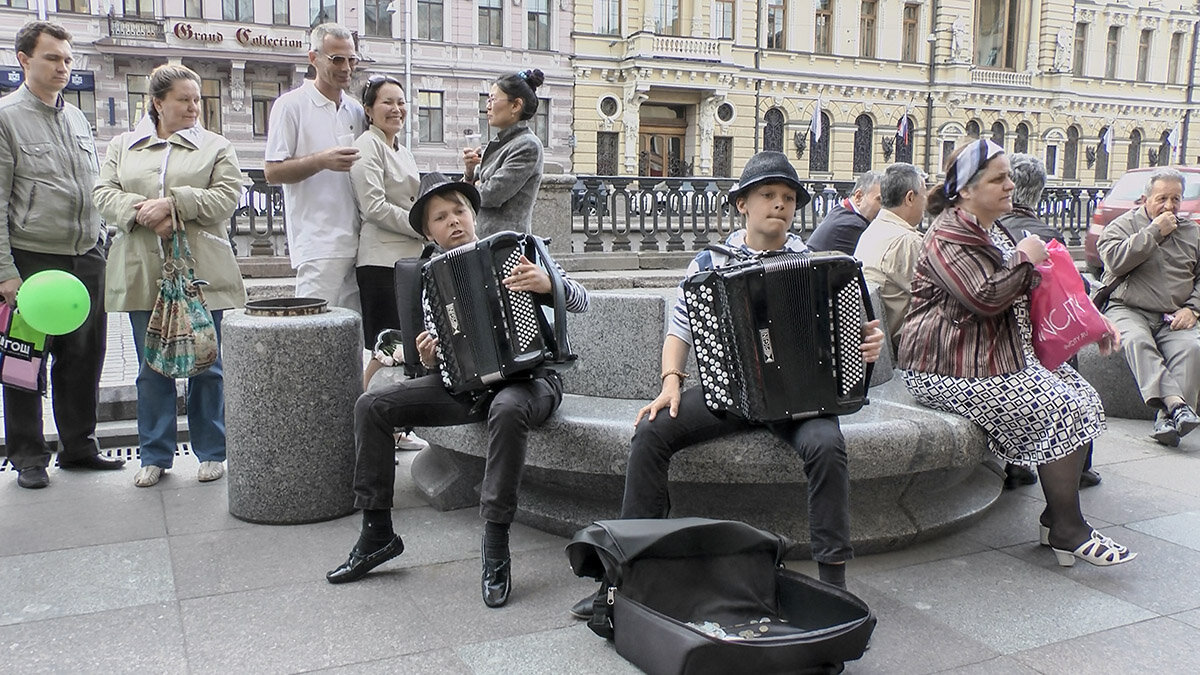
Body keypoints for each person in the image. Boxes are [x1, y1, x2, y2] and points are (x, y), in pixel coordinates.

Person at [572, 151, 885, 620]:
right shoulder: (710, 260)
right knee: (652, 431)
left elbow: (851, 333)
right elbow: (678, 328)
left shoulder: (817, 264)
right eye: (767, 195)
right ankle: (624, 573)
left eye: (787, 197)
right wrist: (671, 381)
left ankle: (834, 584)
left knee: (826, 445)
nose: (779, 204)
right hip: (731, 394)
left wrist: (866, 343)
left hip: (800, 401)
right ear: (742, 204)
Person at [327, 172, 590, 609]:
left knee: (507, 409)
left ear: (472, 214)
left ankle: (494, 543)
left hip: (531, 380)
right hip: (464, 386)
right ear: (428, 231)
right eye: (440, 217)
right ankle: (377, 533)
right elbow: (442, 348)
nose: (453, 221)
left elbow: (581, 299)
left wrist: (549, 285)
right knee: (372, 404)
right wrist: (431, 355)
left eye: (459, 211)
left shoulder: (518, 251)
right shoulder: (432, 278)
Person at [898, 139, 1134, 568]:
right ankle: (1068, 527)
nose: (1010, 185)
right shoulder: (949, 234)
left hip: (996, 354)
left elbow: (1044, 296)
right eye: (998, 178)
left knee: (1083, 398)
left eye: (1009, 176)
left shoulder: (992, 227)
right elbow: (985, 298)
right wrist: (1025, 259)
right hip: (946, 365)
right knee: (1059, 405)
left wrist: (1093, 326)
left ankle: (1056, 516)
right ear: (966, 190)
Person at [94, 64, 246, 488]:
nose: (194, 107)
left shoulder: (216, 146)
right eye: (184, 99)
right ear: (158, 103)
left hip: (203, 273)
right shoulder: (124, 145)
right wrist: (143, 212)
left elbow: (226, 197)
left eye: (197, 99)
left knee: (207, 365)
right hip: (144, 271)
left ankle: (212, 451)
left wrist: (174, 205)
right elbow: (103, 193)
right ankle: (155, 454)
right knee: (152, 368)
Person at [0, 22, 124, 489]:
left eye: (68, 59)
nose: (63, 67)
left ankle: (78, 447)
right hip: (31, 258)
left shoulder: (76, 117)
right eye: (53, 58)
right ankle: (28, 456)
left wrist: (102, 241)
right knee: (24, 359)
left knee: (84, 357)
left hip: (87, 254)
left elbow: (91, 186)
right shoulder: (6, 117)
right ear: (24, 60)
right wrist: (5, 272)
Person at [997, 153, 1101, 489]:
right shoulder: (1046, 233)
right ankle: (1080, 467)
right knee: (1070, 372)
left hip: (1000, 336)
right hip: (1040, 336)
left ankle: (1016, 464)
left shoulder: (993, 230)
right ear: (1039, 192)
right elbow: (1075, 290)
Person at [264, 23, 366, 313]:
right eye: (337, 59)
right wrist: (321, 161)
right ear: (313, 58)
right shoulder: (290, 105)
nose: (346, 67)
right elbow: (272, 171)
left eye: (351, 60)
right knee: (312, 332)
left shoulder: (355, 109)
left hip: (360, 240)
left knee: (352, 337)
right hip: (318, 243)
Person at [1097, 168, 1200, 448]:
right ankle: (1177, 406)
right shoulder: (1121, 227)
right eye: (1162, 198)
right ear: (1145, 198)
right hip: (1128, 308)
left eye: (1175, 199)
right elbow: (1115, 262)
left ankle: (1166, 419)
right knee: (1137, 341)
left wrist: (1193, 308)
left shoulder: (1192, 232)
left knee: (1192, 348)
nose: (1169, 206)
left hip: (1174, 314)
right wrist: (1154, 232)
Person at [349, 75, 421, 346]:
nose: (396, 109)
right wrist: (422, 228)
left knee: (410, 345)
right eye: (387, 102)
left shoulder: (403, 151)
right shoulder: (367, 145)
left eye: (401, 102)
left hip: (407, 262)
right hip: (381, 264)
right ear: (368, 110)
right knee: (387, 347)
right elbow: (374, 207)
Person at [461, 69, 545, 237]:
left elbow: (491, 195)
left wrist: (479, 185)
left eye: (493, 99)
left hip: (506, 246)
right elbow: (470, 190)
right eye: (488, 99)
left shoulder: (527, 145)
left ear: (515, 105)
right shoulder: (500, 143)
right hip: (483, 242)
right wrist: (470, 173)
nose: (488, 106)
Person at [854, 162, 927, 346]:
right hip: (906, 353)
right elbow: (944, 300)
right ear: (910, 198)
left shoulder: (873, 230)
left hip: (883, 346)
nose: (926, 203)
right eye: (924, 195)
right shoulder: (907, 241)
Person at [805, 170, 882, 254]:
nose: (884, 207)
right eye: (880, 200)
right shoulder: (854, 226)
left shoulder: (840, 210)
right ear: (858, 197)